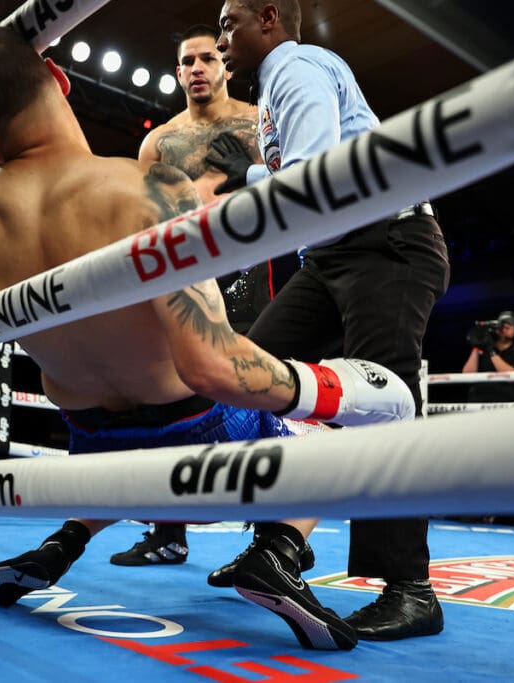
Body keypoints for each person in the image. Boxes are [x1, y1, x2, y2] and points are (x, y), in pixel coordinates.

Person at [0, 24, 416, 651]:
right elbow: (212, 367)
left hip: (93, 449)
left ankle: (60, 543)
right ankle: (279, 551)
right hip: (198, 430)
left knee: (130, 444)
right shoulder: (148, 190)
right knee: (341, 426)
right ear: (60, 79)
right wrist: (334, 387)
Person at [209, 0, 450, 641]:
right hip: (332, 254)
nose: (222, 36)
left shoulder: (297, 65)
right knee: (246, 370)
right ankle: (278, 550)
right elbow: (300, 171)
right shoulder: (274, 94)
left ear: (269, 18)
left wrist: (245, 197)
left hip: (386, 240)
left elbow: (311, 180)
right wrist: (254, 173)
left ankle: (413, 591)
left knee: (387, 401)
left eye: (230, 23)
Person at [109, 23, 298, 568]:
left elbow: (292, 179)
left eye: (206, 58)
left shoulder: (255, 122)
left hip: (249, 268)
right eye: (186, 60)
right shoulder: (159, 141)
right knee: (171, 393)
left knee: (259, 387)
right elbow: (140, 216)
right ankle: (168, 532)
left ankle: (271, 543)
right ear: (177, 72)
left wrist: (243, 184)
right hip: (182, 277)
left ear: (223, 65)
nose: (196, 68)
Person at [461, 311, 514, 403]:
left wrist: (491, 351)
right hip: (478, 403)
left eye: (508, 327)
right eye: (502, 326)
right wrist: (476, 347)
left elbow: (513, 378)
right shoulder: (483, 350)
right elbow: (467, 376)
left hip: (504, 404)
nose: (503, 330)